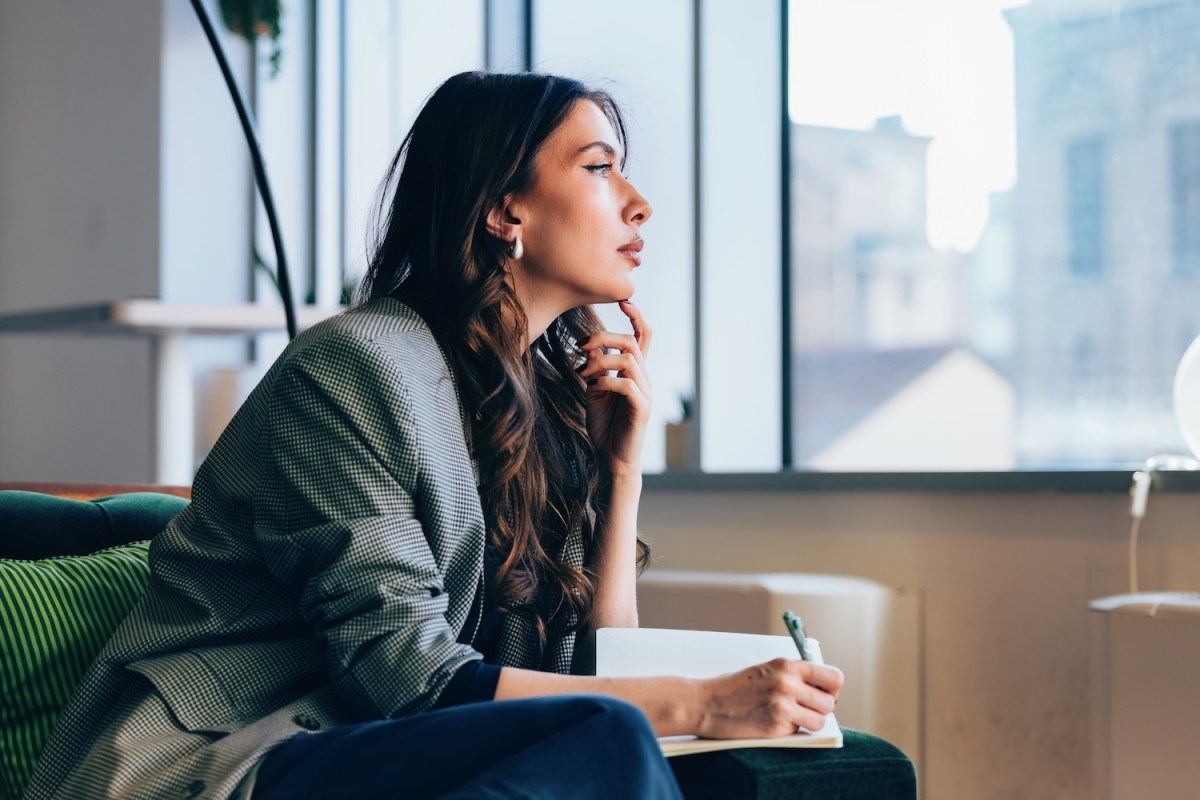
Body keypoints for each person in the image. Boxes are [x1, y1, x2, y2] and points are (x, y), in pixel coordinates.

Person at [24, 71, 844, 800]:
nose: (639, 202)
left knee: (606, 739)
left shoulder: (548, 405)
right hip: (223, 761)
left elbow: (590, 674)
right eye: (598, 167)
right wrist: (700, 701)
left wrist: (617, 474)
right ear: (501, 208)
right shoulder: (351, 370)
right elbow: (413, 682)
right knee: (606, 740)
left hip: (378, 752)